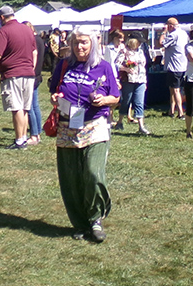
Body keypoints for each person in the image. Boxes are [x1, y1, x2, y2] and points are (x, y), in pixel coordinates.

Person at [49, 26, 120, 243]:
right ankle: (80, 222)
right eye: (76, 42)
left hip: (95, 124)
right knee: (70, 178)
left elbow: (116, 96)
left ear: (93, 43)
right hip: (67, 124)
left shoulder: (104, 67)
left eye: (84, 42)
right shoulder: (64, 65)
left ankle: (96, 218)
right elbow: (54, 90)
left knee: (92, 172)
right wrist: (55, 98)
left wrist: (104, 100)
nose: (80, 47)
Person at [0, 5, 38, 150]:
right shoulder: (27, 29)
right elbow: (34, 51)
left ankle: (19, 140)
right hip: (29, 73)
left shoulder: (4, 31)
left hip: (13, 74)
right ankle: (23, 138)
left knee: (17, 107)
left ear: (1, 17)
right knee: (25, 108)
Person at [114, 36, 150, 135]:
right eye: (139, 42)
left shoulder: (141, 51)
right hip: (129, 80)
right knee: (126, 100)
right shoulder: (124, 51)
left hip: (141, 80)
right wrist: (126, 69)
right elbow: (116, 64)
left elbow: (143, 67)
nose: (140, 44)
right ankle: (120, 121)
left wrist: (145, 82)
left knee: (139, 102)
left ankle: (141, 126)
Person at [159, 17, 188, 119]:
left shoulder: (173, 35)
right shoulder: (184, 33)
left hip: (174, 66)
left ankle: (180, 112)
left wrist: (163, 33)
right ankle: (171, 110)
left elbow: (161, 43)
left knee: (176, 90)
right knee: (172, 88)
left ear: (170, 26)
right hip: (183, 65)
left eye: (167, 25)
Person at [26, 21, 45, 146]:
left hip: (32, 75)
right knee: (35, 105)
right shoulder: (40, 40)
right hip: (38, 75)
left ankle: (34, 134)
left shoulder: (32, 40)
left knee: (30, 106)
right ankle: (38, 131)